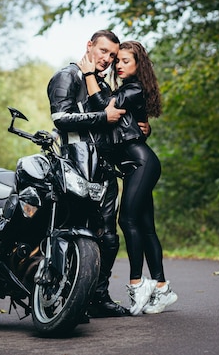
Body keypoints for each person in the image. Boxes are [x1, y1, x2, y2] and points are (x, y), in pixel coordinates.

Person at [78, 40, 177, 315]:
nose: (117, 65)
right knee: (146, 227)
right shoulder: (129, 90)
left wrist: (88, 75)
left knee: (127, 220)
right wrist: (144, 129)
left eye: (124, 61)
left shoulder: (132, 89)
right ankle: (161, 289)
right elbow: (137, 125)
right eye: (117, 60)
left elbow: (102, 109)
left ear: (138, 65)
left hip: (141, 163)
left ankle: (137, 283)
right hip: (138, 163)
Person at [46, 30, 130, 318]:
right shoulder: (66, 76)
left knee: (108, 237)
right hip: (74, 166)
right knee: (73, 230)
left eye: (112, 56)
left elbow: (118, 120)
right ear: (89, 46)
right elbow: (60, 118)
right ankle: (69, 297)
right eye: (103, 51)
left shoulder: (103, 87)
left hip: (105, 171)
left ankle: (98, 297)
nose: (107, 59)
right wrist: (102, 117)